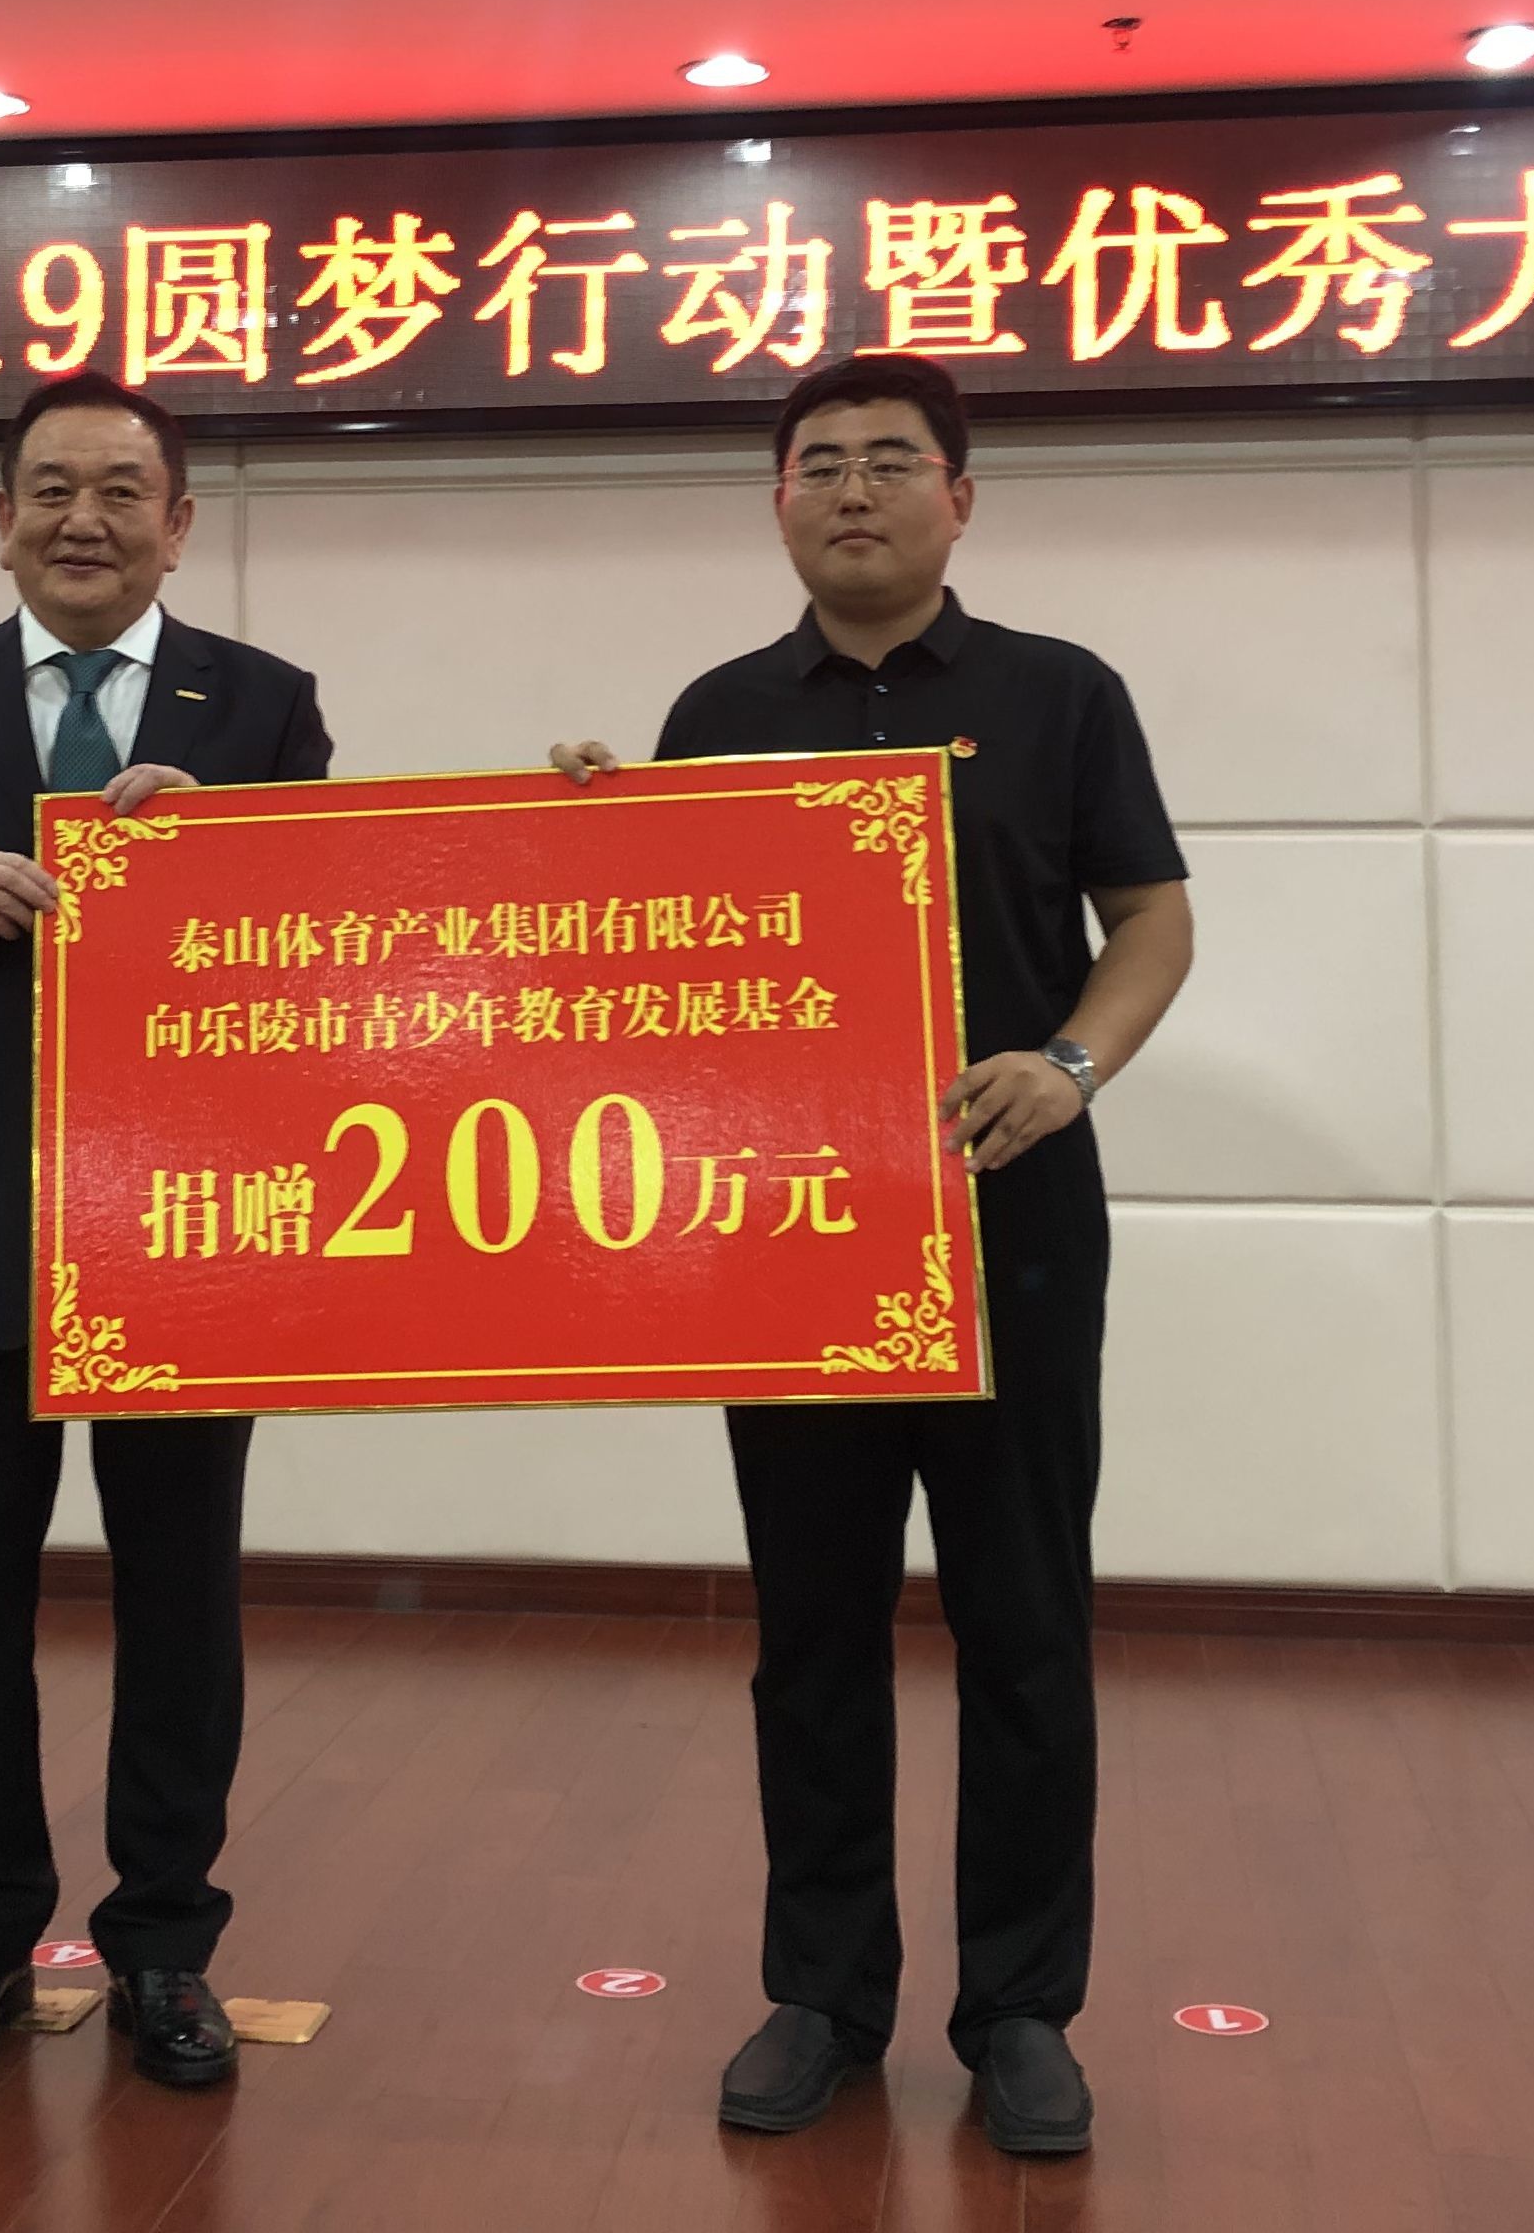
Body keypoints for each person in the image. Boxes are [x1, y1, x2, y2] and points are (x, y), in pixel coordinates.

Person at [552, 351, 1194, 2161]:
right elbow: (659, 965)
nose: (852, 488)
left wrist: (1071, 1066)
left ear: (959, 499)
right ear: (778, 501)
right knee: (814, 1626)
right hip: (790, 1236)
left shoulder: (1061, 695)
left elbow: (1151, 918)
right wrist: (588, 828)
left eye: (891, 461)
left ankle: (1020, 2012)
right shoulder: (721, 710)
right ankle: (824, 1996)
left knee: (1024, 1622)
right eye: (817, 462)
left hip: (1011, 1221)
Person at [0, 374, 332, 2092]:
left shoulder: (263, 703)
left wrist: (219, 856)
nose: (82, 520)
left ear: (180, 523)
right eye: (50, 489)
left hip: (189, 1217)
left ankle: (167, 1947)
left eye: (119, 491)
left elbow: (330, 933)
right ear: (2, 519)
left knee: (182, 1596)